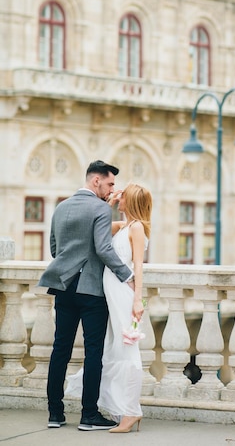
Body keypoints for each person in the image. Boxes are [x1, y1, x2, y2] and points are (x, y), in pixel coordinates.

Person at [38, 160, 139, 431]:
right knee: (94, 353)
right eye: (109, 184)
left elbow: (54, 248)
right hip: (92, 290)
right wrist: (128, 277)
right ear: (96, 181)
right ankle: (88, 415)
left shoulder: (61, 207)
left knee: (60, 349)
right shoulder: (100, 209)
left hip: (63, 286)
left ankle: (55, 414)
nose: (112, 189)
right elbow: (104, 249)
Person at [65, 182, 152, 434]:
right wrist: (109, 203)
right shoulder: (123, 226)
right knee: (111, 349)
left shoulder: (136, 228)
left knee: (127, 351)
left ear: (132, 200)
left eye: (122, 195)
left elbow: (138, 266)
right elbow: (97, 224)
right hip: (111, 296)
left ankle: (131, 412)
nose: (118, 197)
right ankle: (121, 407)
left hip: (124, 297)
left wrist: (138, 299)